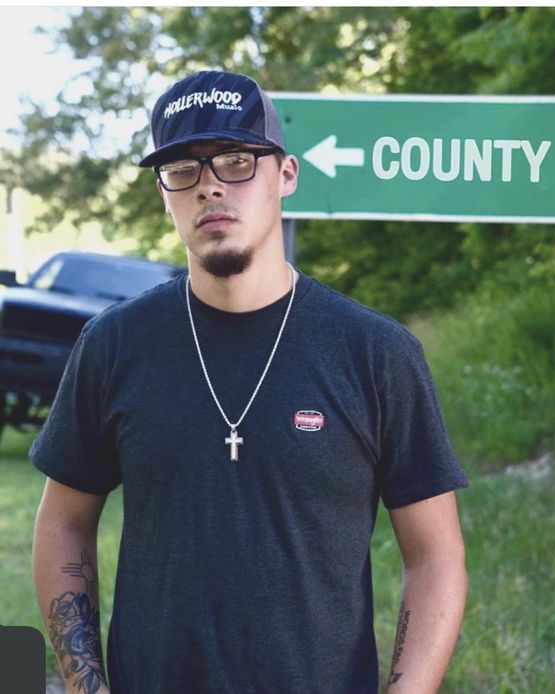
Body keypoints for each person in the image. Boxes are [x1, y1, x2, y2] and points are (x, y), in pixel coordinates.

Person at [31, 70, 468, 694]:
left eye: (237, 161)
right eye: (183, 169)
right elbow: (63, 523)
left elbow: (435, 557)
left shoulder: (376, 353)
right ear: (165, 192)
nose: (209, 186)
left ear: (285, 174)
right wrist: (86, 686)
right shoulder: (115, 344)